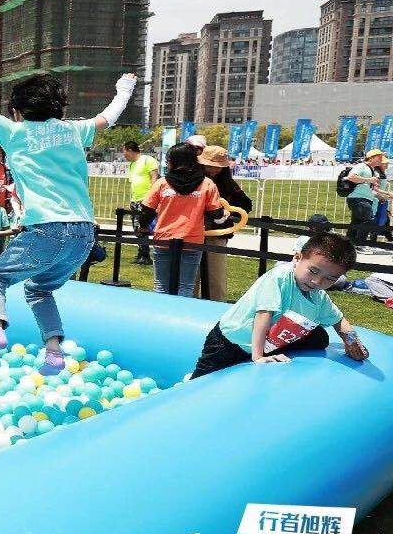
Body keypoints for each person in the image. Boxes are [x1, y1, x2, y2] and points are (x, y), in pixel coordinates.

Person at [0, 35, 138, 374]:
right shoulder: (75, 131)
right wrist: (124, 89)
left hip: (46, 229)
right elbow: (108, 117)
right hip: (84, 234)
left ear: (16, 110)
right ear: (60, 109)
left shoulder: (14, 132)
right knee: (39, 289)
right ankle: (54, 351)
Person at [190, 233, 368, 379]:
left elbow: (338, 320)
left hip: (267, 344)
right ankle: (189, 384)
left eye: (330, 278)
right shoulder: (280, 278)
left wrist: (352, 342)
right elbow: (263, 314)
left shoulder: (318, 296)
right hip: (229, 342)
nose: (317, 281)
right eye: (313, 271)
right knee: (204, 380)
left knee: (320, 337)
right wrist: (258, 356)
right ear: (297, 258)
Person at [137, 144, 226, 298]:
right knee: (186, 287)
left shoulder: (162, 183)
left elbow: (146, 210)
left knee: (161, 285)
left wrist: (143, 227)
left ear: (173, 162)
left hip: (163, 239)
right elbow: (216, 214)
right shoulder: (207, 184)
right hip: (192, 240)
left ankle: (160, 312)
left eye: (168, 160)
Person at [198, 145, 255, 302]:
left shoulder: (228, 183)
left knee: (216, 275)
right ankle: (187, 304)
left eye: (218, 167)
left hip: (217, 233)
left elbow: (246, 203)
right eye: (210, 166)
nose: (213, 170)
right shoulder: (194, 180)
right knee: (191, 275)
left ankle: (217, 306)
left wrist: (229, 213)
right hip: (193, 232)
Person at [343, 149, 390, 252]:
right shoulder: (361, 166)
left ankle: (347, 244)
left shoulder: (371, 169)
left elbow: (372, 187)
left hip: (364, 198)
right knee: (369, 220)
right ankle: (360, 244)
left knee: (356, 222)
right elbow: (351, 177)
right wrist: (369, 180)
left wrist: (373, 184)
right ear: (371, 158)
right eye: (379, 157)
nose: (381, 159)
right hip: (358, 198)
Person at [124, 141, 160, 266]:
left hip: (146, 200)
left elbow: (154, 179)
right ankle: (142, 252)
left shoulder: (147, 160)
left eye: (124, 151)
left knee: (144, 227)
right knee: (136, 228)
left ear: (130, 150)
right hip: (135, 200)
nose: (124, 155)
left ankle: (145, 255)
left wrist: (151, 198)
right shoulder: (132, 165)